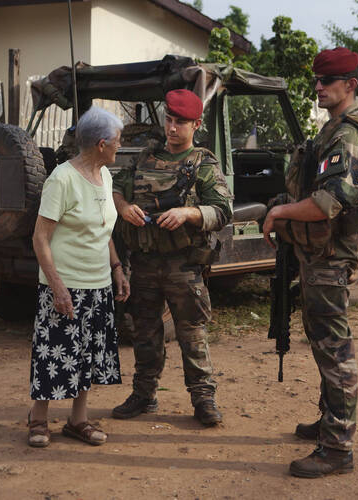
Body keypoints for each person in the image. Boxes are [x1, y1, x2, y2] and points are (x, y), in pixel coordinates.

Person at [262, 47, 358, 477]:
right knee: (322, 342)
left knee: (335, 350)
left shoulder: (347, 136)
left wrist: (278, 214)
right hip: (318, 254)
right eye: (317, 80)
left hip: (330, 256)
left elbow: (329, 203)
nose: (318, 87)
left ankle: (337, 448)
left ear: (350, 85)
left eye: (327, 81)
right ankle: (331, 421)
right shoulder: (333, 130)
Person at [111, 89, 233, 426]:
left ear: (196, 124)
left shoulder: (203, 163)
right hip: (145, 262)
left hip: (184, 264)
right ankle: (143, 394)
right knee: (145, 333)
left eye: (181, 121)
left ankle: (204, 399)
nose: (172, 127)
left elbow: (223, 211)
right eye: (169, 119)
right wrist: (125, 208)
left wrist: (188, 214)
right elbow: (117, 189)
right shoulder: (144, 158)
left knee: (192, 334)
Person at [27, 106, 130, 448]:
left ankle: (78, 420)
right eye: (118, 140)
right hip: (65, 284)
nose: (121, 145)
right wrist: (57, 286)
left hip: (97, 285)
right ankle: (38, 420)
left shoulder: (106, 177)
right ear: (102, 144)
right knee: (53, 352)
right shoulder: (63, 178)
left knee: (86, 356)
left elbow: (105, 230)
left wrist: (116, 268)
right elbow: (40, 238)